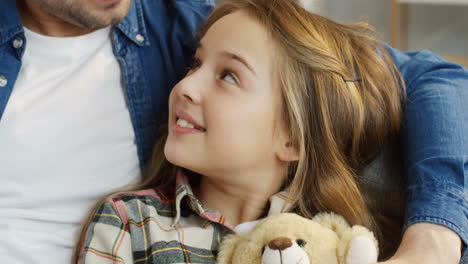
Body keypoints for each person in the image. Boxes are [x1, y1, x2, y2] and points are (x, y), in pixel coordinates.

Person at [0, 0, 465, 263]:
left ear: (293, 140)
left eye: (225, 75)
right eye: (195, 64)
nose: (183, 85)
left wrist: (434, 240)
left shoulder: (326, 239)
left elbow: (435, 78)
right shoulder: (130, 223)